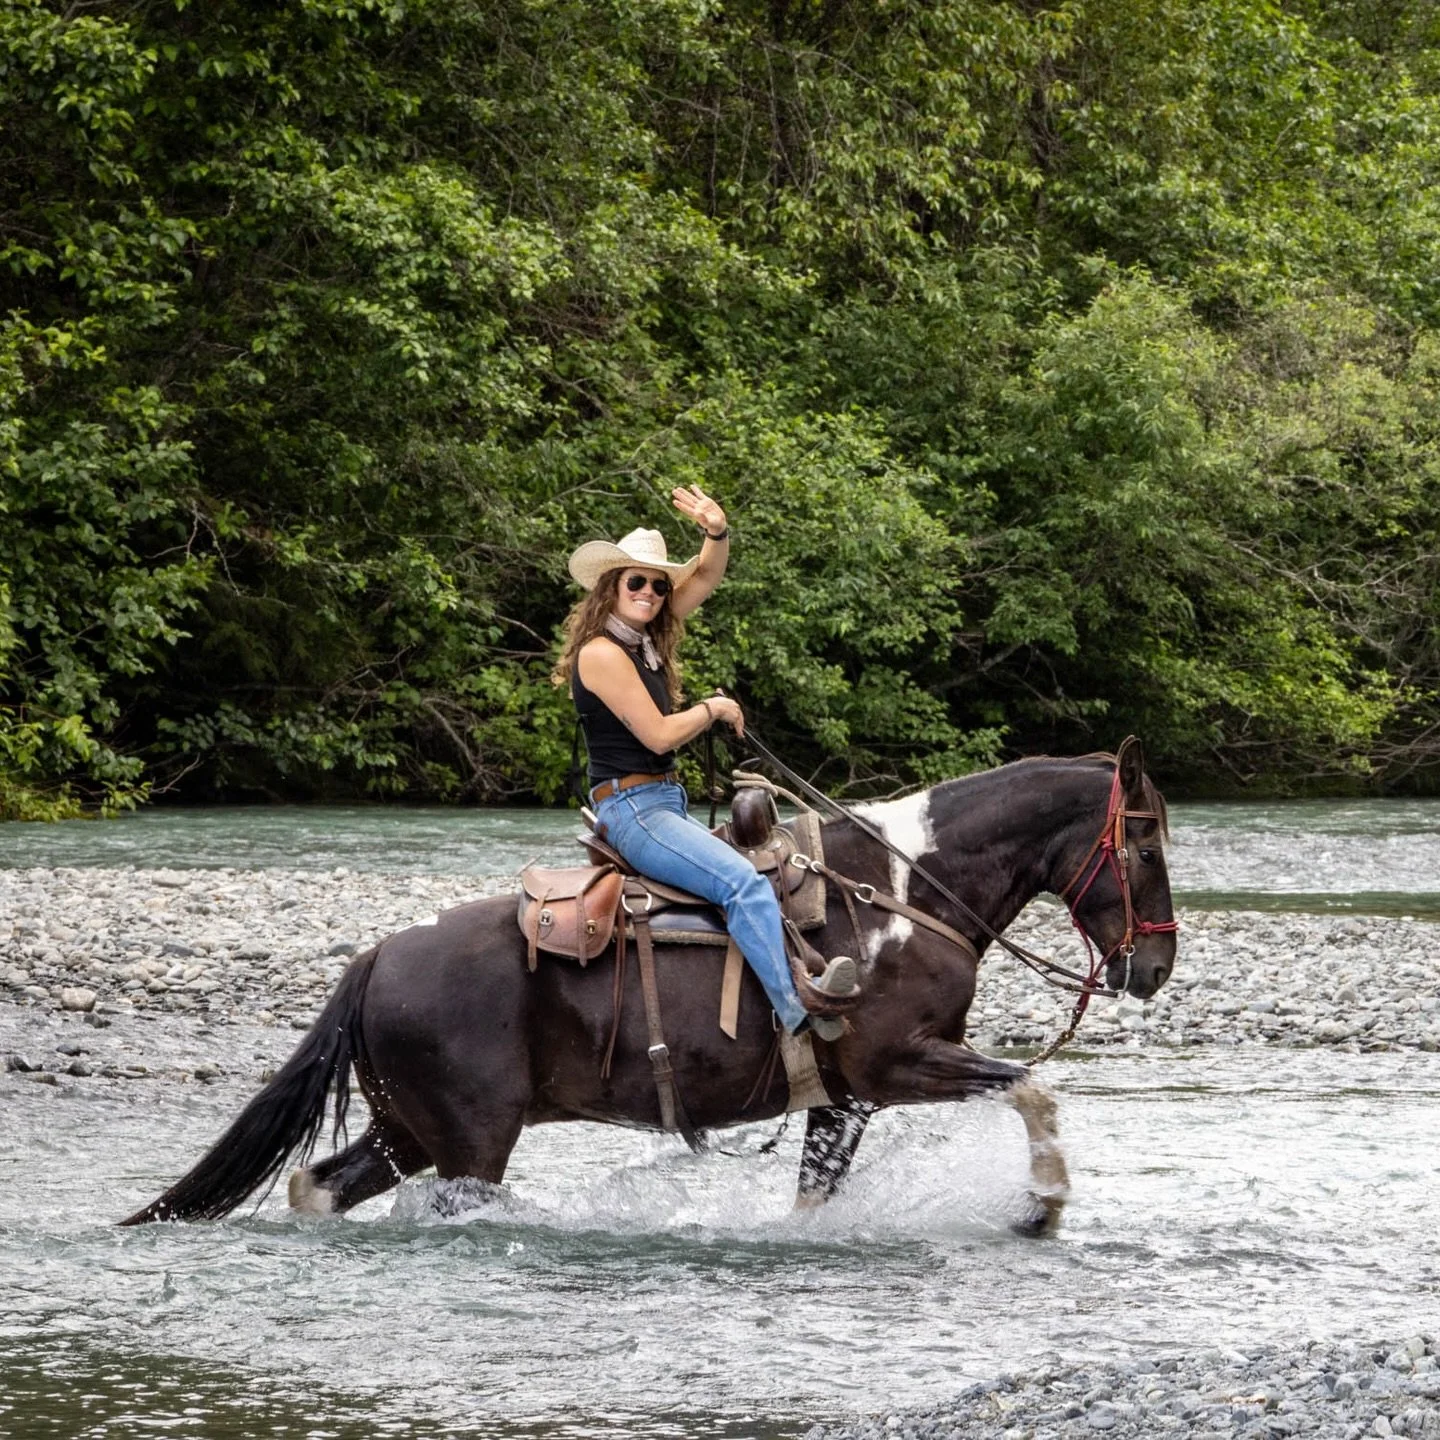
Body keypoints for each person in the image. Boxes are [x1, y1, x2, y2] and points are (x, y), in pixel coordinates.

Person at [554, 484, 860, 1040]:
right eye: (636, 581)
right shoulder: (601, 651)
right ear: (611, 588)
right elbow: (660, 734)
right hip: (632, 809)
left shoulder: (643, 638)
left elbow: (707, 576)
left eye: (655, 583)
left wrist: (716, 531)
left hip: (660, 801)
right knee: (741, 883)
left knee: (771, 866)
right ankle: (797, 1012)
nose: (649, 591)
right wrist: (713, 707)